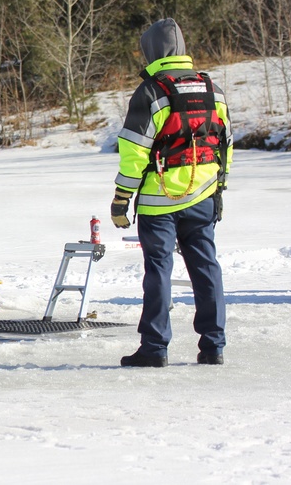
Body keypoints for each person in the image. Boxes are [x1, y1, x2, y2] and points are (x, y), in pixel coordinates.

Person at [111, 18, 232, 367]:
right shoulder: (214, 90)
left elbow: (134, 152)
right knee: (206, 268)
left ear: (151, 51)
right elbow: (226, 145)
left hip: (158, 202)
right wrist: (219, 189)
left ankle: (154, 347)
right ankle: (214, 346)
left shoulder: (151, 91)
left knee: (158, 271)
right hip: (204, 195)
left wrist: (122, 199)